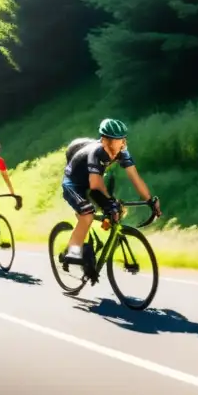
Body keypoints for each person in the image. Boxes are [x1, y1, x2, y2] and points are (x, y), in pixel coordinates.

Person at [61, 118, 160, 280]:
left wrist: (150, 200)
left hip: (94, 179)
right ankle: (73, 252)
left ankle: (95, 240)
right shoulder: (96, 152)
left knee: (113, 210)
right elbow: (95, 184)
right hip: (74, 183)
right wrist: (110, 202)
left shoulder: (122, 151)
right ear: (103, 140)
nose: (118, 146)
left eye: (121, 140)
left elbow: (135, 178)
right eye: (113, 141)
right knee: (87, 214)